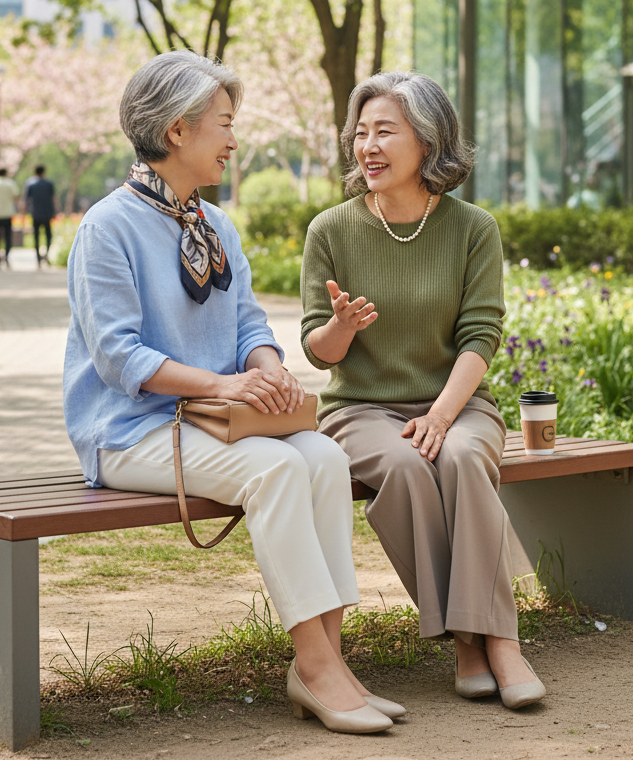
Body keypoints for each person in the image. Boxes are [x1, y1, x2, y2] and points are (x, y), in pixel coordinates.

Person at [62, 50, 398, 734]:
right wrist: (226, 382)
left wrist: (268, 367)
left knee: (326, 458)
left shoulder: (216, 226)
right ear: (178, 130)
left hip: (220, 420)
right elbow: (119, 355)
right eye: (223, 124)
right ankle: (315, 667)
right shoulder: (107, 227)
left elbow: (248, 322)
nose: (234, 140)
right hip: (130, 430)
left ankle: (330, 660)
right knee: (278, 468)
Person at [300, 71, 546, 711]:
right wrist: (340, 328)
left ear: (428, 141)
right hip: (360, 408)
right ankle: (475, 640)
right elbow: (315, 350)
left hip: (458, 402)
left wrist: (442, 413)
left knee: (461, 456)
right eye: (361, 133)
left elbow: (481, 336)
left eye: (385, 131)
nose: (368, 146)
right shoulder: (329, 230)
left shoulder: (473, 228)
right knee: (408, 467)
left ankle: (497, 641)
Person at [24, 165, 57, 267]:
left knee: (36, 236)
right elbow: (54, 198)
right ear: (44, 171)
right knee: (48, 235)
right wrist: (55, 211)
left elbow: (26, 200)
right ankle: (46, 255)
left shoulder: (30, 184)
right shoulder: (49, 183)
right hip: (47, 213)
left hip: (35, 213)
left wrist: (25, 212)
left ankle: (38, 258)